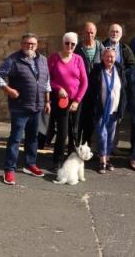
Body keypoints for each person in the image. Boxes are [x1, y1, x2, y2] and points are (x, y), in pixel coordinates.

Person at [0, 33, 51, 185]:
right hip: (20, 107)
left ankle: (30, 165)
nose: (29, 46)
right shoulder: (13, 60)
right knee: (15, 139)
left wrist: (48, 101)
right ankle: (9, 169)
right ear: (21, 44)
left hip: (37, 107)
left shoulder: (43, 60)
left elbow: (47, 82)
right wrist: (8, 90)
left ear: (37, 45)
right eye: (26, 43)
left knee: (33, 138)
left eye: (32, 44)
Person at [47, 32, 88, 171]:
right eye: (67, 43)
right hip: (60, 101)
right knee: (62, 132)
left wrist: (77, 101)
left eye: (73, 44)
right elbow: (48, 79)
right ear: (63, 42)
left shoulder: (78, 59)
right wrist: (58, 88)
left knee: (74, 132)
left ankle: (72, 161)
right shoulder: (53, 58)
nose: (69, 46)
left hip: (76, 101)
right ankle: (57, 160)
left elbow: (84, 82)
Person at [87, 48, 127, 174]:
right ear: (103, 57)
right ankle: (102, 161)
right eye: (107, 56)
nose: (110, 59)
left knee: (110, 136)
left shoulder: (119, 69)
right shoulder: (97, 70)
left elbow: (124, 88)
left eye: (112, 57)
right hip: (101, 110)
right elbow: (91, 90)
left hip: (114, 110)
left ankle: (108, 159)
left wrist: (122, 107)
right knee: (102, 135)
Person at [75, 22, 105, 147]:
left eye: (92, 32)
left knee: (91, 119)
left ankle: (86, 145)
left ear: (95, 32)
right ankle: (75, 145)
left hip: (95, 89)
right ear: (83, 32)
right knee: (79, 119)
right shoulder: (77, 48)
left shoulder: (100, 47)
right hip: (80, 89)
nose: (90, 35)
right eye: (87, 32)